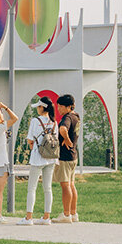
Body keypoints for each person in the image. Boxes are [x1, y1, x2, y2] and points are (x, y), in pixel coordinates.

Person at [17, 96, 58, 225]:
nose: (37, 109)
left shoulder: (36, 121)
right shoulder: (54, 122)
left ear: (42, 107)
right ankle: (47, 216)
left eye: (38, 107)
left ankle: (29, 217)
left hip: (37, 157)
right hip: (51, 158)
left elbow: (30, 139)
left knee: (32, 188)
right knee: (48, 188)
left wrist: (34, 146)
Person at [53, 94, 81, 223]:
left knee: (65, 186)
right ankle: (73, 213)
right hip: (73, 155)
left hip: (64, 156)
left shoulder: (67, 117)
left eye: (61, 106)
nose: (58, 109)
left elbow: (63, 129)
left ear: (68, 107)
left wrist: (66, 139)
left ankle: (66, 214)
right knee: (71, 185)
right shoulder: (76, 116)